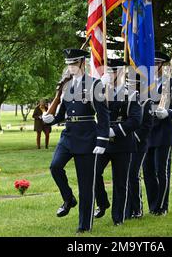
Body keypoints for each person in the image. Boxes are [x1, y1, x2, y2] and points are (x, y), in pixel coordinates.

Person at [42, 49, 109, 234]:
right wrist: (52, 119)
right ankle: (69, 199)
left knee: (86, 184)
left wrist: (102, 141)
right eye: (68, 64)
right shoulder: (67, 86)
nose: (70, 67)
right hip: (68, 135)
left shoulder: (95, 84)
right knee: (55, 167)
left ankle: (84, 225)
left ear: (82, 63)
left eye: (73, 64)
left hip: (88, 137)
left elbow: (103, 116)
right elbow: (62, 113)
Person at [94, 59, 142, 226]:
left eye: (113, 71)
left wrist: (115, 130)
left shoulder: (132, 94)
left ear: (121, 73)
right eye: (108, 72)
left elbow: (136, 120)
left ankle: (118, 218)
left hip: (123, 142)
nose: (109, 74)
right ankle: (102, 202)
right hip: (103, 142)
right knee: (93, 173)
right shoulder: (100, 92)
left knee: (120, 182)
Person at [143, 50, 172, 216]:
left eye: (157, 64)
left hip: (163, 132)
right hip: (147, 132)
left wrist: (169, 113)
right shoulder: (146, 83)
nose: (153, 67)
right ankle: (153, 206)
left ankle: (162, 206)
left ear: (163, 65)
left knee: (162, 170)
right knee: (148, 171)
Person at [125, 74, 154, 219]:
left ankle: (137, 209)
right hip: (125, 143)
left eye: (131, 83)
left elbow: (147, 125)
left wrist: (134, 137)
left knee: (133, 174)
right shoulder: (126, 99)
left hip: (139, 144)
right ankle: (127, 209)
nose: (129, 86)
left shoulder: (146, 101)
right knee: (124, 176)